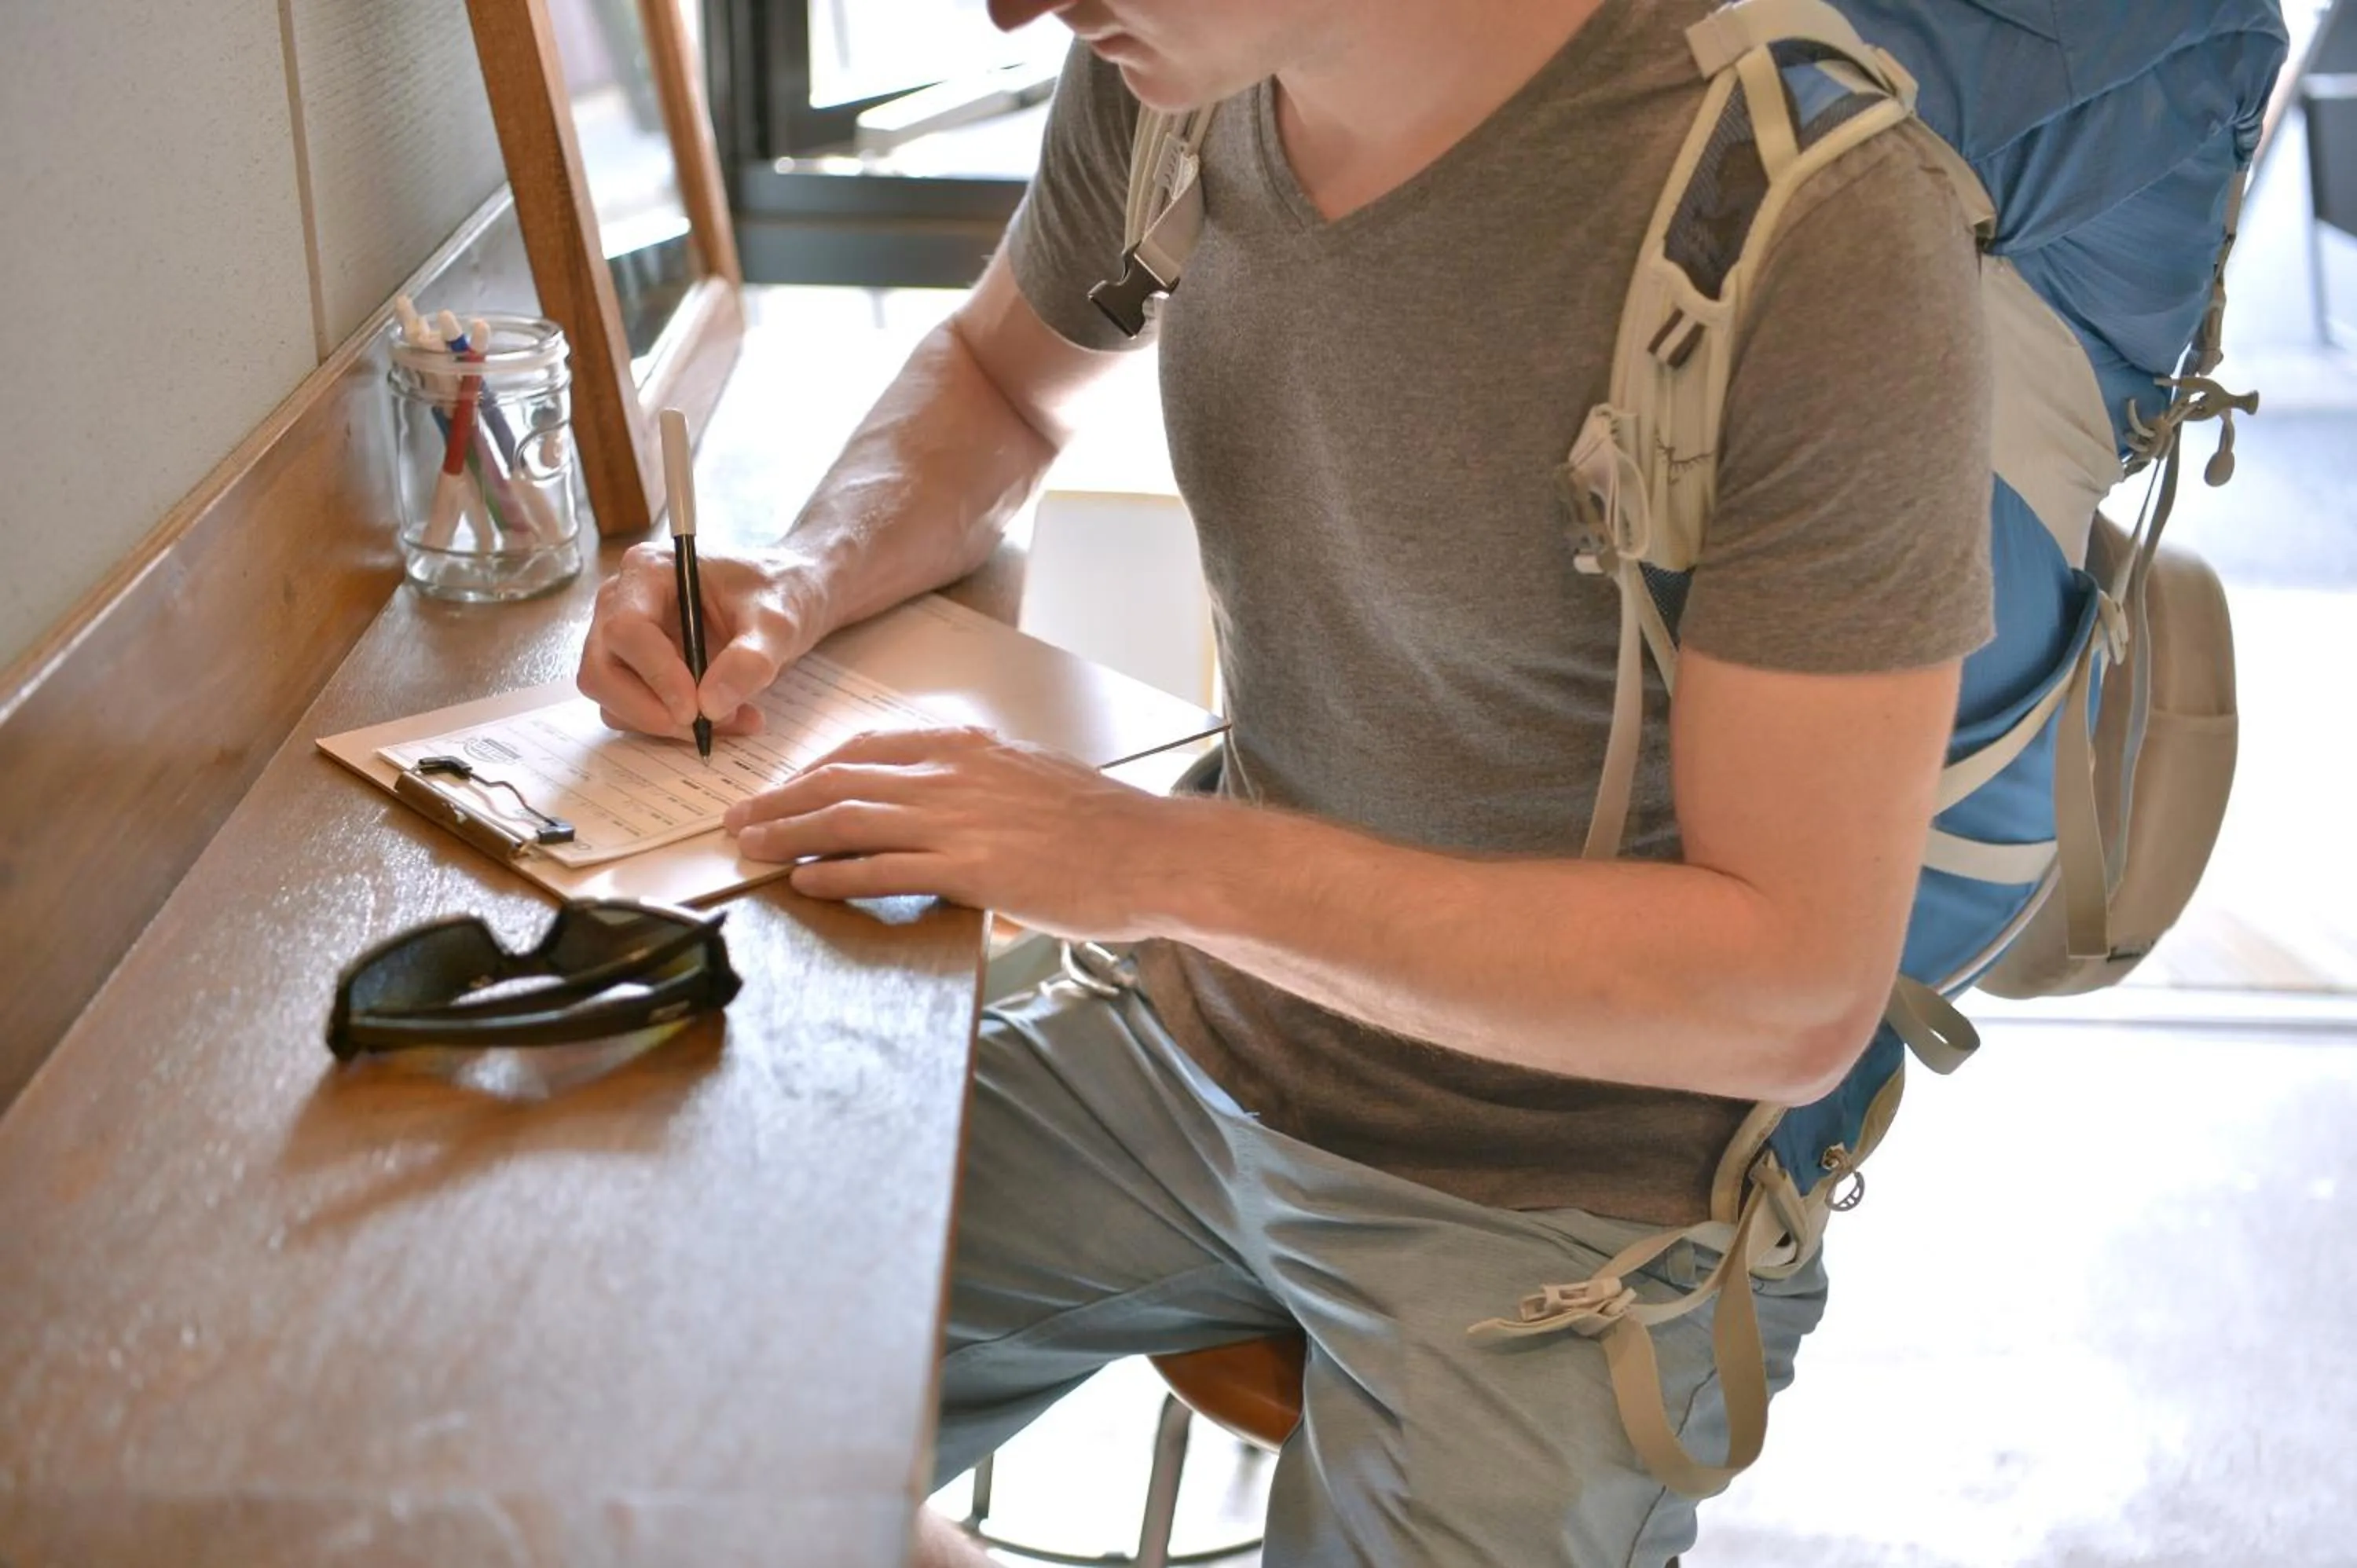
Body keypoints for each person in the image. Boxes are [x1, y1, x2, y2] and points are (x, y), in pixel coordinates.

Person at [576, 0, 1993, 1559]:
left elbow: (1790, 986)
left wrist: (1147, 865)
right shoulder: (1174, 72)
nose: (1010, 6)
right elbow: (998, 373)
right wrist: (798, 573)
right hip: (1192, 1043)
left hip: (1568, 1199)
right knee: (606, 1402)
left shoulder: (1819, 223)